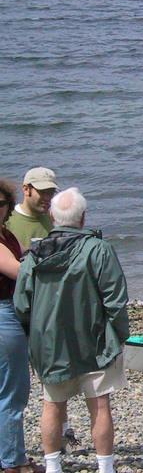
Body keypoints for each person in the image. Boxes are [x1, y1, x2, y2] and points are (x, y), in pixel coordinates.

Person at [13, 188, 129, 473]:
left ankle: (53, 466)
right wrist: (120, 336)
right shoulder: (98, 249)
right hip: (95, 341)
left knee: (52, 404)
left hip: (51, 343)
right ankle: (105, 467)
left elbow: (21, 304)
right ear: (83, 218)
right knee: (100, 405)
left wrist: (35, 333)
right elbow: (115, 299)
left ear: (52, 216)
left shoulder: (34, 255)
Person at [0, 179, 44, 473]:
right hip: (4, 314)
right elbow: (17, 271)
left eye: (1, 203)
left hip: (9, 311)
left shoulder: (5, 234)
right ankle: (13, 463)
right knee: (13, 391)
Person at [6, 167, 58, 250]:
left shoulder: (54, 220)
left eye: (51, 192)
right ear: (26, 189)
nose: (47, 198)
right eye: (42, 192)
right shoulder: (7, 221)